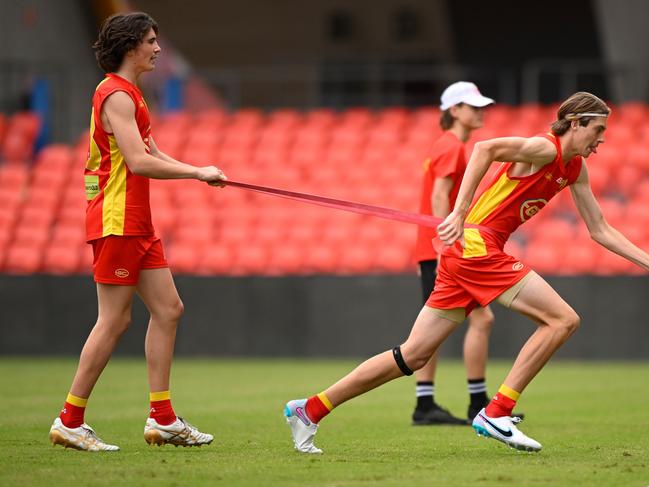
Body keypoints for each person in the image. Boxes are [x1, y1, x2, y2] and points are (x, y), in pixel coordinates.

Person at [284, 91, 649, 454]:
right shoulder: (546, 149)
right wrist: (458, 213)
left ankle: (310, 409)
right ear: (575, 123)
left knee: (413, 356)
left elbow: (600, 230)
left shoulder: (574, 168)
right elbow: (484, 149)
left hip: (468, 252)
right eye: (597, 129)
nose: (602, 139)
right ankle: (497, 411)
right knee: (562, 320)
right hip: (477, 246)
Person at [49, 12, 226, 451]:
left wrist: (202, 171)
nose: (158, 48)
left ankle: (162, 418)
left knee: (168, 310)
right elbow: (139, 162)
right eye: (151, 41)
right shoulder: (115, 95)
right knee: (113, 321)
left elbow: (153, 151)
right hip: (117, 219)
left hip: (137, 221)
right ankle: (70, 419)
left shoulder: (132, 94)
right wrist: (198, 173)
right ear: (131, 47)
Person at [412, 81, 497, 426]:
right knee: (480, 320)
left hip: (431, 248)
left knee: (433, 328)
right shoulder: (452, 147)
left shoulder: (447, 145)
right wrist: (447, 245)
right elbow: (439, 198)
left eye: (480, 106)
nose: (480, 112)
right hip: (442, 249)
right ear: (454, 111)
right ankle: (476, 402)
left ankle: (427, 404)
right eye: (472, 106)